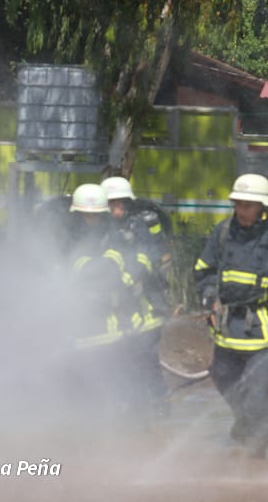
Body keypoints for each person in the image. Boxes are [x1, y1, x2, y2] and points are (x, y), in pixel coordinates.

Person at [194, 173, 268, 458]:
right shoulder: (222, 233)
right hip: (226, 326)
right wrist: (209, 300)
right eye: (238, 204)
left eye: (249, 205)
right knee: (222, 376)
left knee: (259, 389)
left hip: (263, 327)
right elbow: (204, 271)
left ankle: (257, 452)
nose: (242, 210)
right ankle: (246, 423)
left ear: (262, 207)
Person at [64, 183, 146, 419]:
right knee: (80, 379)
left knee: (113, 372)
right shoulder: (68, 234)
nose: (90, 219)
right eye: (85, 215)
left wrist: (90, 269)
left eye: (94, 215)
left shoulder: (115, 236)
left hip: (110, 318)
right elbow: (65, 265)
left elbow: (115, 266)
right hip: (77, 319)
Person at [100, 176, 171, 417]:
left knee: (146, 356)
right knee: (123, 355)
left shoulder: (137, 225)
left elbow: (146, 255)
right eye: (112, 204)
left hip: (148, 302)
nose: (116, 209)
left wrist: (128, 280)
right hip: (122, 306)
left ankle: (159, 402)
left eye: (120, 204)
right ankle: (131, 403)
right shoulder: (103, 228)